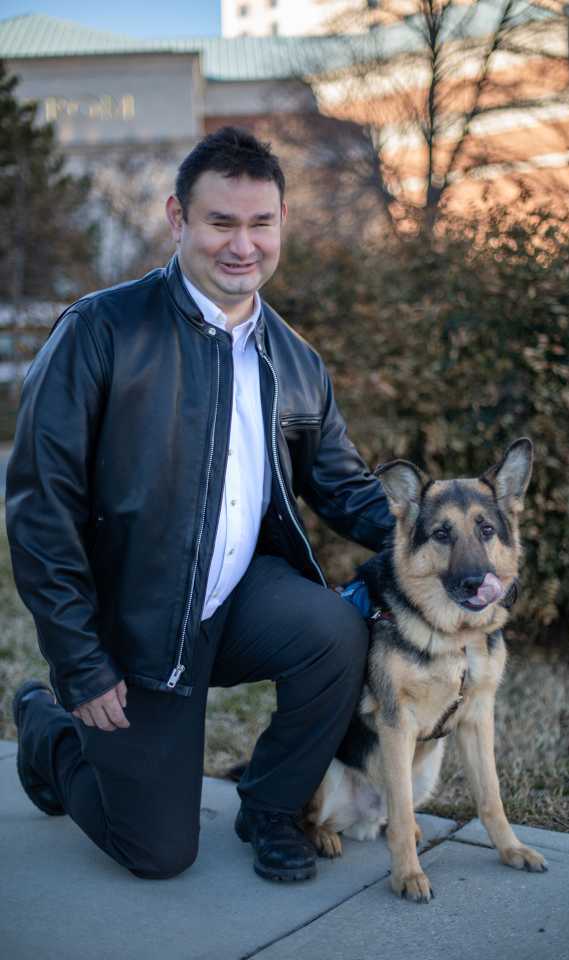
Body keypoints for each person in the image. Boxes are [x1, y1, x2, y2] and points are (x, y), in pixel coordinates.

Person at [6, 126, 393, 883]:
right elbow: (39, 505)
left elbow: (347, 488)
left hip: (241, 599)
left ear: (282, 223)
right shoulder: (102, 331)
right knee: (156, 852)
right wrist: (79, 662)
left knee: (334, 630)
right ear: (177, 220)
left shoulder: (296, 361)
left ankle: (273, 808)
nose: (241, 245)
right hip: (136, 626)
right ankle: (46, 733)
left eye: (260, 223)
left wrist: (444, 545)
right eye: (221, 222)